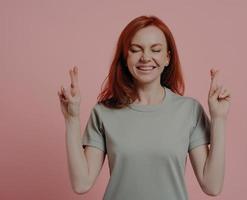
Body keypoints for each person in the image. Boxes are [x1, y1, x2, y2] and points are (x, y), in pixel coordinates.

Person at [58, 15, 231, 200]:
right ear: (125, 57)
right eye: (135, 50)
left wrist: (219, 119)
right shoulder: (104, 112)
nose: (146, 57)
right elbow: (81, 183)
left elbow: (212, 186)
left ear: (167, 58)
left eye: (155, 50)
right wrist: (71, 119)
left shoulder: (189, 111)